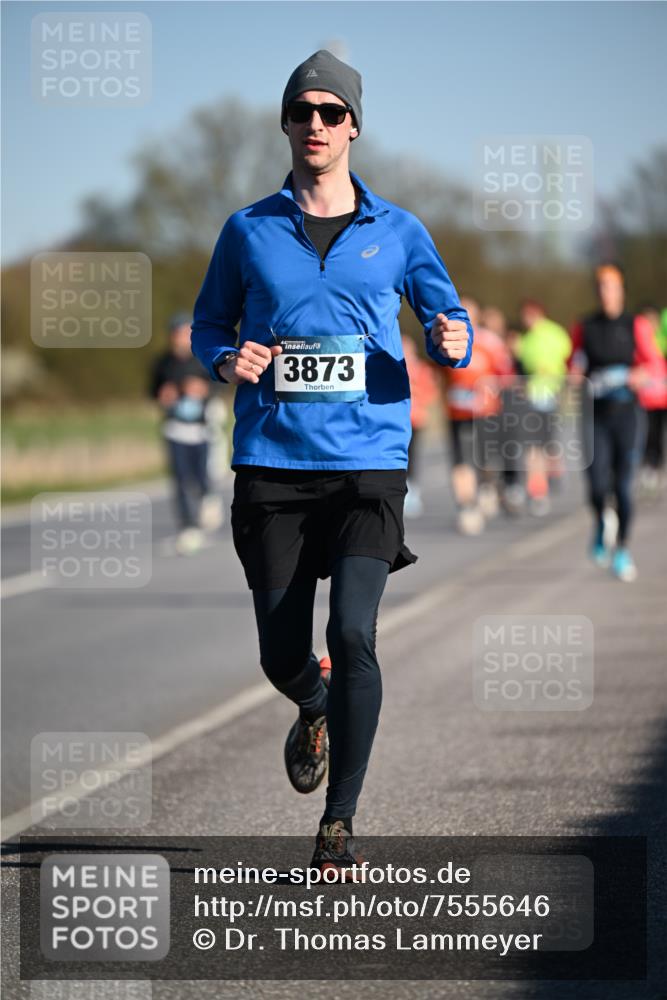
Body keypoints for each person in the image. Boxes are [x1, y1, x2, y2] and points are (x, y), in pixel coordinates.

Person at [190, 49, 472, 878]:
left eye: (330, 111)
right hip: (273, 463)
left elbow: (443, 310)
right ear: (285, 123)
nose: (315, 124)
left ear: (353, 126)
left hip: (368, 461)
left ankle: (337, 824)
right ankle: (310, 706)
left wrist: (451, 337)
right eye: (301, 111)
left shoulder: (399, 231)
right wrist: (223, 361)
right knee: (283, 654)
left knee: (352, 632)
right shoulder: (247, 230)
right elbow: (209, 325)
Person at [570, 265, 664, 581]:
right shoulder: (585, 326)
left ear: (621, 290)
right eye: (600, 286)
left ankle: (622, 549)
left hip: (627, 414)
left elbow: (654, 363)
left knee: (623, 487)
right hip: (596, 415)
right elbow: (572, 364)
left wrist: (638, 375)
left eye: (610, 286)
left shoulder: (635, 325)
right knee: (597, 487)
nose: (605, 292)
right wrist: (576, 377)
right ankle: (600, 521)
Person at [149, 313, 223, 554]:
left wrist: (201, 390)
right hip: (175, 429)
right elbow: (153, 391)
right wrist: (163, 396)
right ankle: (188, 527)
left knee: (201, 477)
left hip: (200, 431)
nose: (180, 338)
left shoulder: (201, 359)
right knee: (180, 480)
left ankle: (208, 498)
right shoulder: (163, 363)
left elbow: (217, 385)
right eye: (177, 333)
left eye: (184, 333)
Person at [438, 295, 511, 534]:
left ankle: (488, 486)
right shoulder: (447, 339)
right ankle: (466, 506)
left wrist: (489, 389)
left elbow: (505, 374)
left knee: (485, 459)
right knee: (461, 461)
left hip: (485, 411)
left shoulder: (490, 342)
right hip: (457, 411)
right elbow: (439, 371)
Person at [516, 299, 572, 516]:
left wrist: (556, 375)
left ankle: (555, 469)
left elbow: (568, 358)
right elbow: (520, 366)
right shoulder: (526, 340)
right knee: (533, 446)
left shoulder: (555, 333)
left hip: (551, 394)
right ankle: (537, 491)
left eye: (529, 315)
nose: (526, 320)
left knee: (548, 442)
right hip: (530, 397)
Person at [401, 334, 438, 518]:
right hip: (398, 420)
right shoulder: (393, 365)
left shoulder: (421, 369)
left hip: (415, 418)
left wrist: (416, 395)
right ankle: (401, 489)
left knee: (412, 455)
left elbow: (430, 391)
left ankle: (412, 491)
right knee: (399, 455)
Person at [636, 304, 667, 494]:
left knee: (660, 436)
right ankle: (649, 467)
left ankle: (659, 466)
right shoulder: (640, 343)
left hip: (663, 398)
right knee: (648, 435)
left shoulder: (662, 342)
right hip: (646, 398)